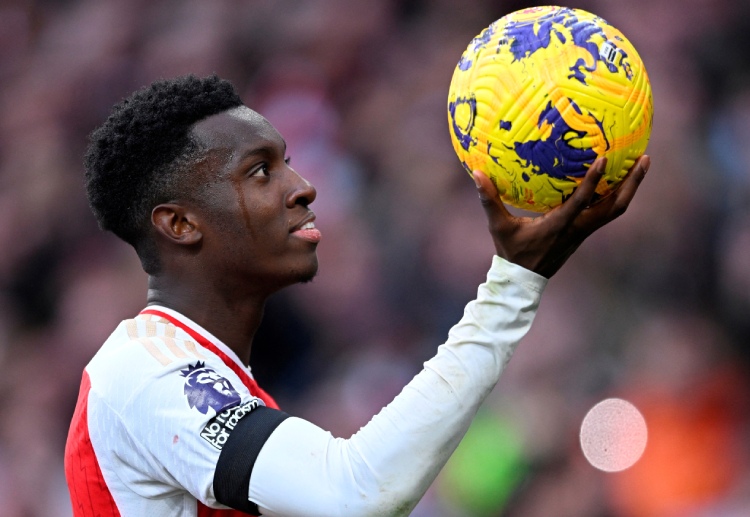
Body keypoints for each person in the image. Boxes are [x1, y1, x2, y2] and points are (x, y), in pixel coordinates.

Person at [64, 74, 650, 517]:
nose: (304, 187)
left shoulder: (221, 378)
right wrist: (512, 284)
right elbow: (353, 494)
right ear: (180, 224)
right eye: (261, 171)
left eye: (288, 163)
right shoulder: (144, 371)